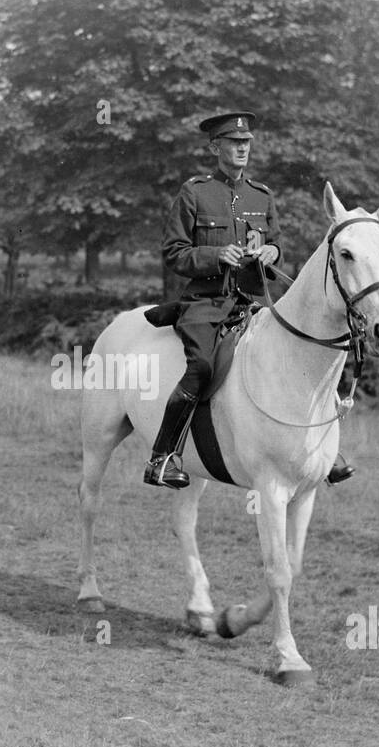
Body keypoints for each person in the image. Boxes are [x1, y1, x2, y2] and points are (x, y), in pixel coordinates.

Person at [144, 110, 355, 489]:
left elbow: (274, 243)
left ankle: (322, 453)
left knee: (306, 359)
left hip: (252, 305)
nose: (242, 148)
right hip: (205, 305)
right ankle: (162, 456)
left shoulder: (262, 196)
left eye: (246, 143)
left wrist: (273, 253)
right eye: (233, 143)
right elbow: (174, 252)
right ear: (215, 147)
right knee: (203, 368)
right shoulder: (195, 192)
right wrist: (213, 256)